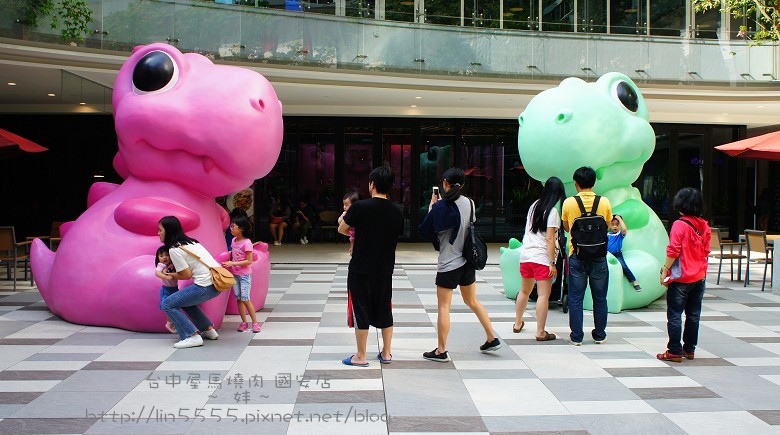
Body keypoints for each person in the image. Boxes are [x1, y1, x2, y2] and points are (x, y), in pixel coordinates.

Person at [418, 167, 502, 362]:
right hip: (467, 261)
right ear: (462, 184)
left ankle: (441, 350)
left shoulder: (441, 206)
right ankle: (491, 336)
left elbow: (425, 230)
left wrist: (432, 207)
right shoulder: (470, 203)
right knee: (472, 301)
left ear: (445, 183)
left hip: (449, 263)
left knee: (444, 307)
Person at [338, 166, 404, 367]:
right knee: (385, 308)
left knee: (361, 309)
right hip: (385, 269)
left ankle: (361, 355)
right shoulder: (397, 211)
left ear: (372, 184)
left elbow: (342, 229)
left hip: (360, 268)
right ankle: (386, 353)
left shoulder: (360, 207)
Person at [657, 187, 711, 362]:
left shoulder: (679, 224)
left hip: (681, 278)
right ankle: (689, 349)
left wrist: (665, 269)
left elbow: (673, 250)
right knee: (693, 314)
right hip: (699, 277)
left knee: (674, 314)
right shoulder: (704, 225)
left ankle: (674, 350)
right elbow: (706, 250)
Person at [561, 166, 612, 346]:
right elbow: (607, 224)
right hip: (599, 256)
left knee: (576, 297)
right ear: (593, 182)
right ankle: (599, 335)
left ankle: (576, 336)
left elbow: (567, 227)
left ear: (576, 183)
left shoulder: (568, 203)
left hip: (577, 255)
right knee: (600, 297)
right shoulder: (604, 202)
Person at [512, 176, 566, 342]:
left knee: (524, 291)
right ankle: (540, 332)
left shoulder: (534, 205)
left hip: (526, 255)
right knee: (543, 295)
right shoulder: (553, 212)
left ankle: (517, 323)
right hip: (542, 258)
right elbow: (550, 239)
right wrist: (552, 263)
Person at [158, 215, 221, 349]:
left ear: (168, 231)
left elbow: (186, 275)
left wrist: (169, 275)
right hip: (217, 284)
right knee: (184, 302)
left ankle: (191, 336)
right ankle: (208, 329)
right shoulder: (192, 242)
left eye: (160, 230)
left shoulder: (174, 249)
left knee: (167, 304)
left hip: (205, 286)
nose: (158, 233)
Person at [223, 215, 260, 333]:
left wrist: (232, 263)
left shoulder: (247, 242)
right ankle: (244, 322)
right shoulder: (234, 241)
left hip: (244, 275)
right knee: (238, 298)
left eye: (233, 226)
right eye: (231, 225)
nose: (231, 228)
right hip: (235, 275)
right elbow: (235, 252)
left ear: (242, 228)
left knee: (245, 299)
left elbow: (249, 261)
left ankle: (255, 323)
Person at [608, 214, 642, 291]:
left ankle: (634, 281)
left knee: (624, 266)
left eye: (617, 225)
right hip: (607, 255)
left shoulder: (619, 234)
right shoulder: (607, 234)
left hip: (617, 254)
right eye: (612, 225)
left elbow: (624, 230)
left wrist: (619, 219)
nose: (615, 227)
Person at [154, 245, 178, 334]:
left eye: (167, 255)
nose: (164, 257)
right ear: (158, 259)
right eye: (161, 256)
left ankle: (175, 322)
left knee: (175, 306)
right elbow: (157, 273)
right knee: (167, 306)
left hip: (175, 289)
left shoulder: (173, 265)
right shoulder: (161, 265)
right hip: (166, 290)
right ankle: (169, 322)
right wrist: (165, 276)